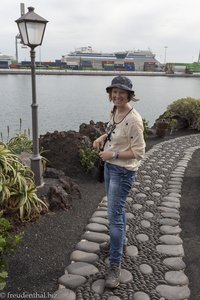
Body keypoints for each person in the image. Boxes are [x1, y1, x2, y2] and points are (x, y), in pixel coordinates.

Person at [93, 76, 146, 288]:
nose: (117, 96)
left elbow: (139, 152)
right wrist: (102, 138)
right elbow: (114, 131)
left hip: (122, 172)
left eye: (121, 93)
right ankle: (120, 243)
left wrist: (112, 154)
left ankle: (115, 265)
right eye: (114, 92)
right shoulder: (115, 111)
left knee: (114, 218)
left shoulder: (134, 120)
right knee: (118, 210)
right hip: (110, 168)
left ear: (129, 95)